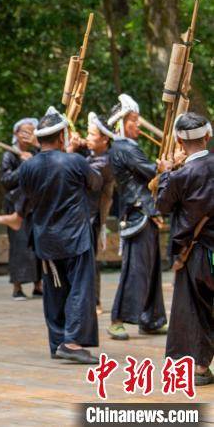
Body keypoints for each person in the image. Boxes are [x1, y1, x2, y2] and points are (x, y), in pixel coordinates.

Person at [17, 107, 101, 364]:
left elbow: (27, 198)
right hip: (75, 237)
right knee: (80, 288)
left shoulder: (28, 167)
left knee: (54, 291)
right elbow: (96, 182)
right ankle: (73, 342)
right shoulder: (75, 162)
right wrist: (78, 154)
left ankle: (57, 342)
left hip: (45, 238)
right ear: (62, 135)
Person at [155, 112, 214, 386]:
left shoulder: (181, 176)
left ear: (179, 141)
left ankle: (200, 367)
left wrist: (167, 172)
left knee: (196, 307)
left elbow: (162, 205)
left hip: (197, 251)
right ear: (208, 137)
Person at [106, 94, 167, 340]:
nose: (138, 124)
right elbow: (152, 172)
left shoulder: (127, 147)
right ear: (121, 123)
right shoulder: (124, 148)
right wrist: (167, 166)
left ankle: (151, 318)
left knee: (151, 271)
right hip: (138, 213)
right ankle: (117, 320)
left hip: (145, 211)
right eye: (133, 119)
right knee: (136, 270)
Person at [66, 113, 115, 314]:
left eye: (92, 134)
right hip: (82, 215)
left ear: (105, 139)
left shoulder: (105, 162)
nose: (88, 137)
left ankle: (94, 302)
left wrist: (71, 151)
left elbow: (81, 172)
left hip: (93, 216)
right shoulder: (92, 153)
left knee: (90, 261)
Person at [0, 118, 42, 300]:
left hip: (35, 205)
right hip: (16, 206)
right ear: (16, 134)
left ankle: (38, 285)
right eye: (24, 132)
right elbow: (6, 181)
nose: (27, 135)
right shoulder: (9, 155)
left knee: (38, 245)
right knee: (19, 246)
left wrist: (35, 154)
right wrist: (24, 165)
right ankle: (17, 287)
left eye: (31, 132)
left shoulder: (37, 152)